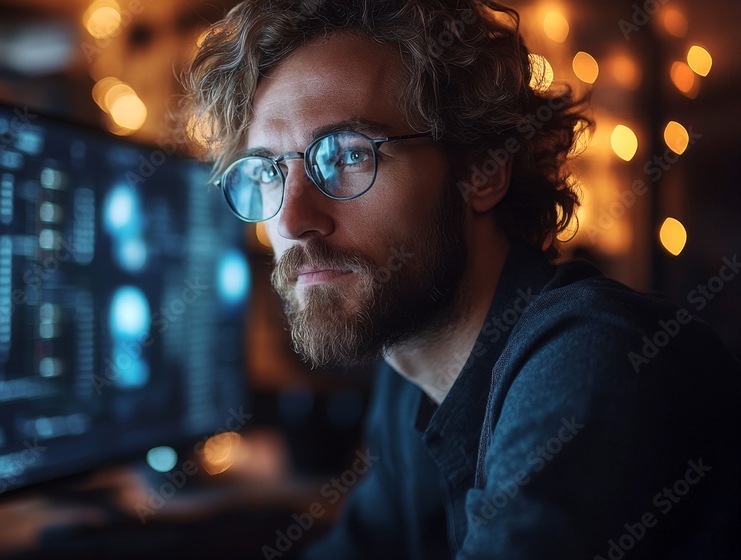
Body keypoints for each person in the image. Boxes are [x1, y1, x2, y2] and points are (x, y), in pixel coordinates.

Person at [179, 0, 741, 557]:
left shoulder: (597, 357)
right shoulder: (409, 374)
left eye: (347, 155)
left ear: (483, 171)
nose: (292, 220)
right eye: (268, 171)